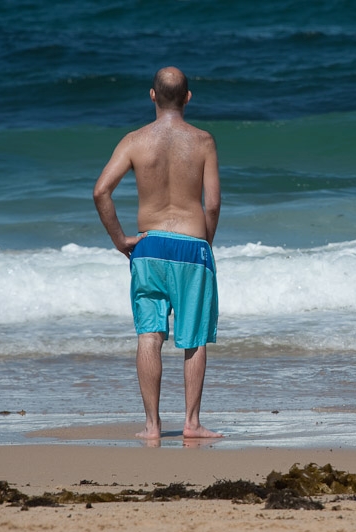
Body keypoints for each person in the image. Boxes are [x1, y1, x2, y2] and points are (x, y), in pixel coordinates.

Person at [93, 66, 222, 440]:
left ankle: (152, 426)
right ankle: (192, 424)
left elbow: (101, 191)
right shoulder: (203, 141)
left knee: (149, 335)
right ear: (188, 97)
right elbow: (211, 204)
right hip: (191, 246)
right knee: (193, 337)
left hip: (147, 247)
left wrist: (120, 240)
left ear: (152, 95)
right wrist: (205, 243)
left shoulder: (134, 141)